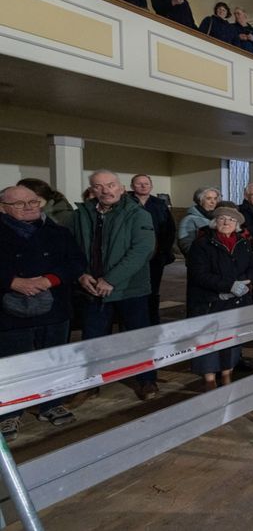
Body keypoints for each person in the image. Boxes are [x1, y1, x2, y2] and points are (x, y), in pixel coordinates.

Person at [0, 185, 86, 441]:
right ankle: (10, 412)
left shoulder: (58, 232)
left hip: (53, 308)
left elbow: (76, 262)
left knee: (54, 358)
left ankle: (51, 403)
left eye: (33, 201)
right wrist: (12, 282)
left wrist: (51, 279)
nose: (29, 207)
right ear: (3, 208)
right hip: (9, 311)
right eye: (19, 204)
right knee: (15, 362)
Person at [71, 170, 158, 401]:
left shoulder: (136, 214)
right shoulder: (82, 214)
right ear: (92, 190)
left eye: (110, 185)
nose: (106, 190)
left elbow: (142, 250)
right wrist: (81, 275)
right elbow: (72, 249)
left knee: (137, 337)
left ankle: (147, 380)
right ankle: (91, 382)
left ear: (120, 187)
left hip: (129, 288)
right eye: (99, 186)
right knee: (93, 339)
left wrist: (111, 279)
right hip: (92, 288)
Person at [185, 206, 253, 391]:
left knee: (232, 339)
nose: (226, 223)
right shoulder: (202, 244)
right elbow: (199, 274)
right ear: (215, 222)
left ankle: (227, 373)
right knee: (208, 339)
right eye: (222, 219)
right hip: (210, 300)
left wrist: (244, 282)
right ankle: (209, 378)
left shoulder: (243, 243)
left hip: (236, 300)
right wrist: (228, 286)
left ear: (237, 225)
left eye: (231, 220)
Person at [129, 174, 175, 324]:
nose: (143, 186)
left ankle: (152, 318)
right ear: (132, 186)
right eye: (139, 183)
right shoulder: (125, 202)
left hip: (156, 255)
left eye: (146, 183)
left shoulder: (159, 204)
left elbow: (169, 229)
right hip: (131, 254)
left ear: (151, 186)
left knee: (153, 288)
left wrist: (164, 252)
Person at [178, 187, 220, 255]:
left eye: (215, 198)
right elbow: (186, 246)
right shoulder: (189, 220)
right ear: (200, 200)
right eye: (208, 198)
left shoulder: (218, 218)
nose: (213, 202)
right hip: (201, 261)